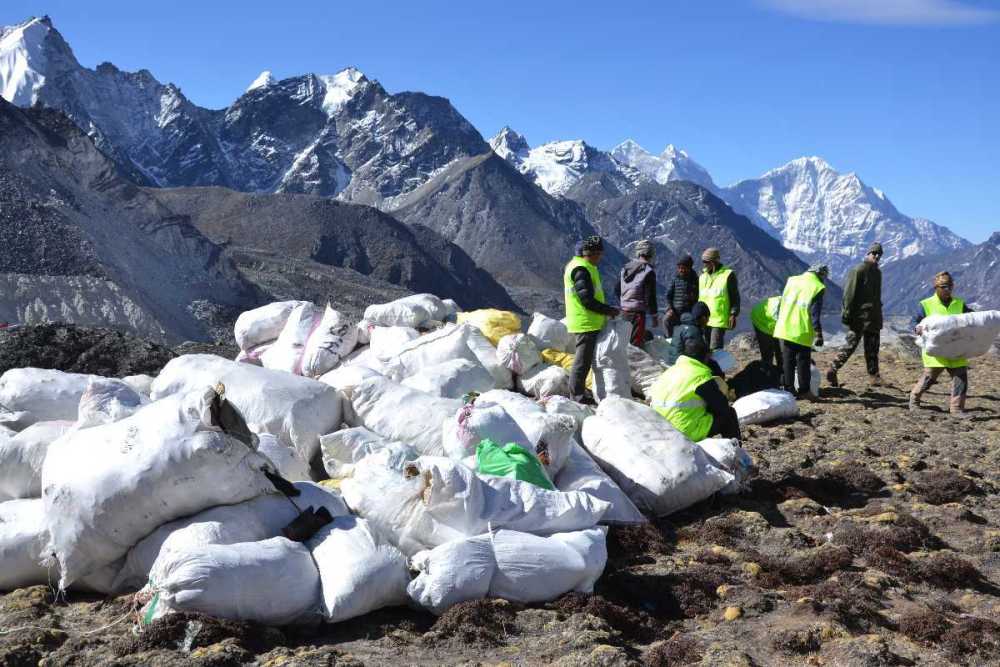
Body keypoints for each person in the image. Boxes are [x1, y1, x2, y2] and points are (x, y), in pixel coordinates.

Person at [909, 272, 974, 418]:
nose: (948, 290)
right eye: (944, 287)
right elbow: (913, 322)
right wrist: (917, 328)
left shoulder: (959, 303)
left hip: (955, 347)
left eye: (950, 286)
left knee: (961, 377)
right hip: (935, 350)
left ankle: (957, 410)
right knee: (930, 377)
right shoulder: (925, 304)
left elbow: (972, 317)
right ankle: (914, 401)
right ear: (936, 287)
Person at [650, 337, 741, 441]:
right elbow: (721, 406)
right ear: (706, 357)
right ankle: (736, 452)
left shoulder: (670, 372)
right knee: (729, 414)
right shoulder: (700, 376)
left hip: (661, 428)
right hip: (684, 430)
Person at [565, 236, 619, 404]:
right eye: (599, 255)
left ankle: (579, 392)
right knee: (582, 362)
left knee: (586, 360)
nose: (600, 258)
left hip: (590, 321)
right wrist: (608, 310)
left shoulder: (585, 266)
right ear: (591, 253)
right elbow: (586, 300)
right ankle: (577, 396)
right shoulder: (581, 269)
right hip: (585, 322)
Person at [827, 242, 884, 388]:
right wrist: (846, 313)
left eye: (879, 254)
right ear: (868, 253)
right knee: (850, 345)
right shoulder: (858, 270)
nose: (877, 256)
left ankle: (874, 376)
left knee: (873, 348)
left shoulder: (877, 273)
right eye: (874, 253)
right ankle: (833, 369)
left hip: (873, 317)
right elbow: (849, 294)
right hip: (859, 317)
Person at [773, 264, 828, 400]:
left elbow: (782, 302)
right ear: (820, 274)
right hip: (801, 328)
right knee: (803, 360)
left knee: (787, 360)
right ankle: (804, 391)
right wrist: (818, 334)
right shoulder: (817, 287)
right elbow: (815, 314)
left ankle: (788, 390)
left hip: (785, 325)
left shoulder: (792, 280)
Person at [616, 239, 658, 347]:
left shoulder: (625, 268)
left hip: (624, 311)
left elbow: (617, 288)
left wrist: (625, 301)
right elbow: (650, 297)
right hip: (637, 314)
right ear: (651, 254)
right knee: (635, 344)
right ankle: (633, 364)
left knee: (624, 342)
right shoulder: (648, 271)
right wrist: (654, 316)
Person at [699, 248, 739, 351]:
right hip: (704, 319)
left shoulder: (728, 275)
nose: (704, 264)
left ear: (713, 262)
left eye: (706, 262)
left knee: (715, 349)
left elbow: (735, 296)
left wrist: (733, 314)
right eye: (703, 262)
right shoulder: (703, 277)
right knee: (705, 349)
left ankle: (716, 367)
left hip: (718, 320)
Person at [664, 254, 698, 337]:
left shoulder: (695, 280)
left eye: (683, 268)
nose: (681, 270)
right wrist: (670, 308)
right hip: (675, 311)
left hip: (688, 312)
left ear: (689, 268)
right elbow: (668, 295)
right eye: (679, 268)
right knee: (666, 320)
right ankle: (669, 339)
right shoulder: (675, 279)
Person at [750, 295, 781, 368]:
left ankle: (782, 372)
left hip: (772, 318)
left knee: (781, 351)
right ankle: (767, 372)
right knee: (768, 351)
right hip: (760, 318)